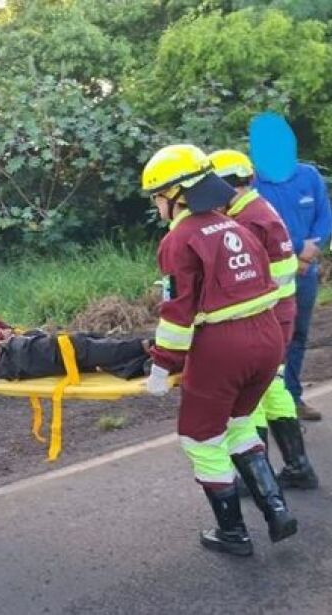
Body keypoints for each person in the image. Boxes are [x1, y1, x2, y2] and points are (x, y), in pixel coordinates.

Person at [142, 143, 296, 556]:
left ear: (175, 195)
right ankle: (277, 509)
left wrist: (162, 367)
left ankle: (233, 534)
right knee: (241, 424)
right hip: (267, 339)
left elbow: (178, 314)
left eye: (157, 197)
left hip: (223, 348)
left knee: (201, 439)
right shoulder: (235, 225)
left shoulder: (180, 241)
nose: (157, 206)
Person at [209, 149, 318, 490]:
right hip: (279, 316)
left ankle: (255, 478)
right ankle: (298, 467)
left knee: (250, 395)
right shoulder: (258, 208)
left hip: (264, 319)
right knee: (274, 389)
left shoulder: (245, 222)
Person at [251, 119, 331, 421]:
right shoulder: (254, 184)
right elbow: (257, 228)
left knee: (299, 336)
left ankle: (292, 398)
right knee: (271, 340)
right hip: (269, 281)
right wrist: (298, 248)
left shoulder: (308, 176)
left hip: (306, 275)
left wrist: (312, 250)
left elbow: (325, 216)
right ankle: (263, 403)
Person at [0, 317, 152, 382]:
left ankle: (143, 361)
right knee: (75, 348)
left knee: (83, 343)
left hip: (14, 349)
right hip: (12, 360)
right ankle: (144, 347)